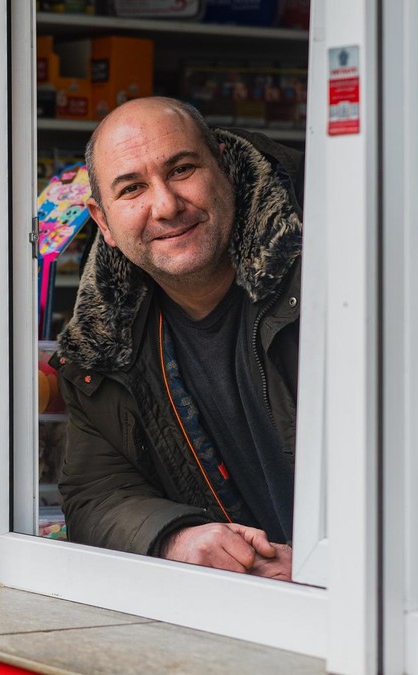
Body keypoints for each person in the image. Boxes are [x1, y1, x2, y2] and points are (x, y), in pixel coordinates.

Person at [52, 97, 304, 581]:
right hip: (241, 615)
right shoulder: (101, 350)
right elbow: (96, 495)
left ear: (224, 168)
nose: (166, 205)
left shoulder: (334, 279)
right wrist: (178, 538)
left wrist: (332, 565)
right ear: (102, 222)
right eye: (132, 189)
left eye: (182, 169)